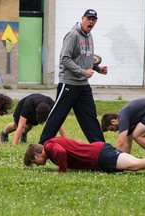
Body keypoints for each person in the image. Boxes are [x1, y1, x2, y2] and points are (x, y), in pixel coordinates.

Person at [39, 9, 107, 145]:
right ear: (82, 18)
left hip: (83, 86)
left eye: (93, 20)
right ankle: (41, 147)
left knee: (90, 117)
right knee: (58, 116)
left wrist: (98, 69)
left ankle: (102, 149)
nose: (91, 22)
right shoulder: (73, 35)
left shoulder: (90, 36)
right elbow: (64, 59)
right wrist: (82, 72)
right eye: (89, 19)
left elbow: (86, 59)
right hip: (68, 84)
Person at [24, 136, 145, 176]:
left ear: (38, 154)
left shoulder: (50, 146)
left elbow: (62, 152)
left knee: (135, 165)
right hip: (100, 152)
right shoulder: (51, 144)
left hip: (100, 156)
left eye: (34, 161)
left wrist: (61, 171)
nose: (37, 164)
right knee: (135, 164)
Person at [0, 93, 67, 145]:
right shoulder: (28, 105)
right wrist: (14, 145)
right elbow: (21, 125)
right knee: (16, 125)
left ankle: (24, 133)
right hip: (23, 105)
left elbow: (58, 125)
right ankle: (4, 133)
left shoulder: (52, 105)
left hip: (38, 107)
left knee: (29, 126)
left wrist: (66, 141)